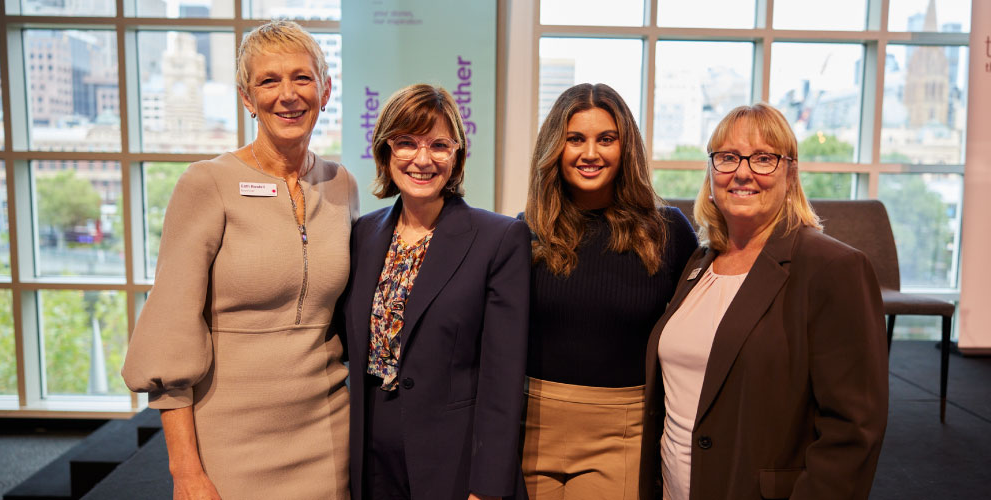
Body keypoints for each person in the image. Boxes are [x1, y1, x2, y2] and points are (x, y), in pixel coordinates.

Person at [122, 20, 357, 500]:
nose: (288, 95)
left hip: (328, 433)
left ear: (326, 89)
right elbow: (171, 333)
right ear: (247, 98)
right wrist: (185, 471)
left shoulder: (341, 184)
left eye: (302, 78)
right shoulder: (206, 185)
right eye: (269, 81)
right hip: (229, 440)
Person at [640, 103, 888, 500]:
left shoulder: (832, 268)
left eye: (763, 159)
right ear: (711, 171)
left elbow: (853, 430)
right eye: (727, 157)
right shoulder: (700, 261)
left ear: (790, 172)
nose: (742, 172)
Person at [343, 83, 530, 500]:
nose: (422, 159)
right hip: (369, 457)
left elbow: (503, 379)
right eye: (406, 143)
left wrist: (487, 487)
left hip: (453, 461)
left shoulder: (499, 239)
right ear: (385, 151)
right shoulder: (362, 235)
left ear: (458, 154)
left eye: (439, 145)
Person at [521, 83, 697, 499]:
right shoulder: (524, 232)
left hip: (622, 431)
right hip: (530, 424)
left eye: (606, 139)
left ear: (626, 148)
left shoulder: (668, 231)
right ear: (554, 148)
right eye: (575, 139)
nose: (590, 153)